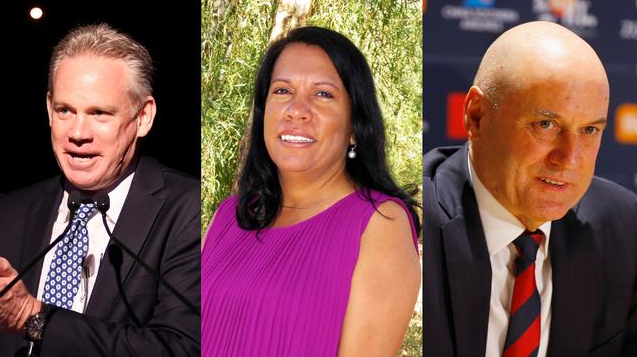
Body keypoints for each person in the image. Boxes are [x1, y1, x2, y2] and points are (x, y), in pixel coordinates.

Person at [201, 26, 421, 356]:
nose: (296, 110)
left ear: (354, 128)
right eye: (282, 91)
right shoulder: (229, 216)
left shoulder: (380, 224)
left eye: (323, 94)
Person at [423, 20, 637, 357]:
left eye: (590, 130)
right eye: (546, 125)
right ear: (476, 116)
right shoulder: (413, 221)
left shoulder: (626, 230)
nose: (569, 159)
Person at [0, 24, 200, 356]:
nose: (78, 133)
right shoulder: (7, 211)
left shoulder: (190, 211)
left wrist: (34, 319)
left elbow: (183, 348)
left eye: (99, 113)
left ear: (143, 117)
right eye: (65, 111)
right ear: (48, 109)